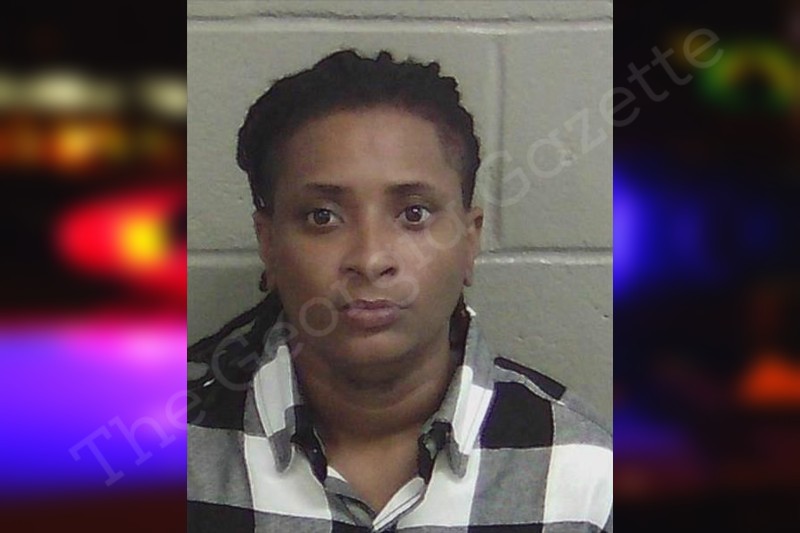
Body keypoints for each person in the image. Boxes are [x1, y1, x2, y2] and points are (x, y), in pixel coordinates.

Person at [187, 49, 612, 533]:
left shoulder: (587, 475)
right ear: (269, 243)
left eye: (414, 214)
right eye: (322, 216)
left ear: (469, 241)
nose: (371, 259)